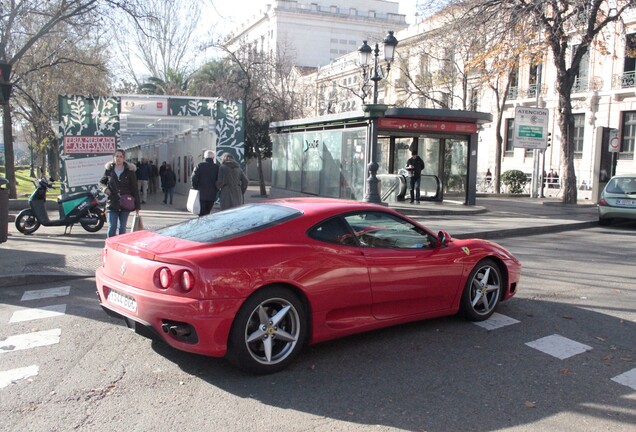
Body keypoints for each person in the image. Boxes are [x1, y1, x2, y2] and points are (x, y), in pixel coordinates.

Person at [99, 148, 141, 237]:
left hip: (125, 203)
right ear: (114, 157)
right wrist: (105, 189)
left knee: (122, 228)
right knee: (112, 226)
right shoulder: (109, 170)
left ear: (124, 158)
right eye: (116, 156)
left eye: (120, 157)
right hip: (112, 202)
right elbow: (101, 183)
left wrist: (137, 206)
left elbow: (135, 189)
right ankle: (110, 246)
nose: (118, 158)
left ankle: (120, 247)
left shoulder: (130, 171)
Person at [191, 150, 220, 216]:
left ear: (204, 157)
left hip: (201, 193)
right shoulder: (217, 167)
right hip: (212, 194)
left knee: (201, 213)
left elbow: (194, 178)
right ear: (213, 158)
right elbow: (219, 180)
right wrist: (216, 189)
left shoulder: (200, 165)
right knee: (207, 212)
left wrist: (195, 187)